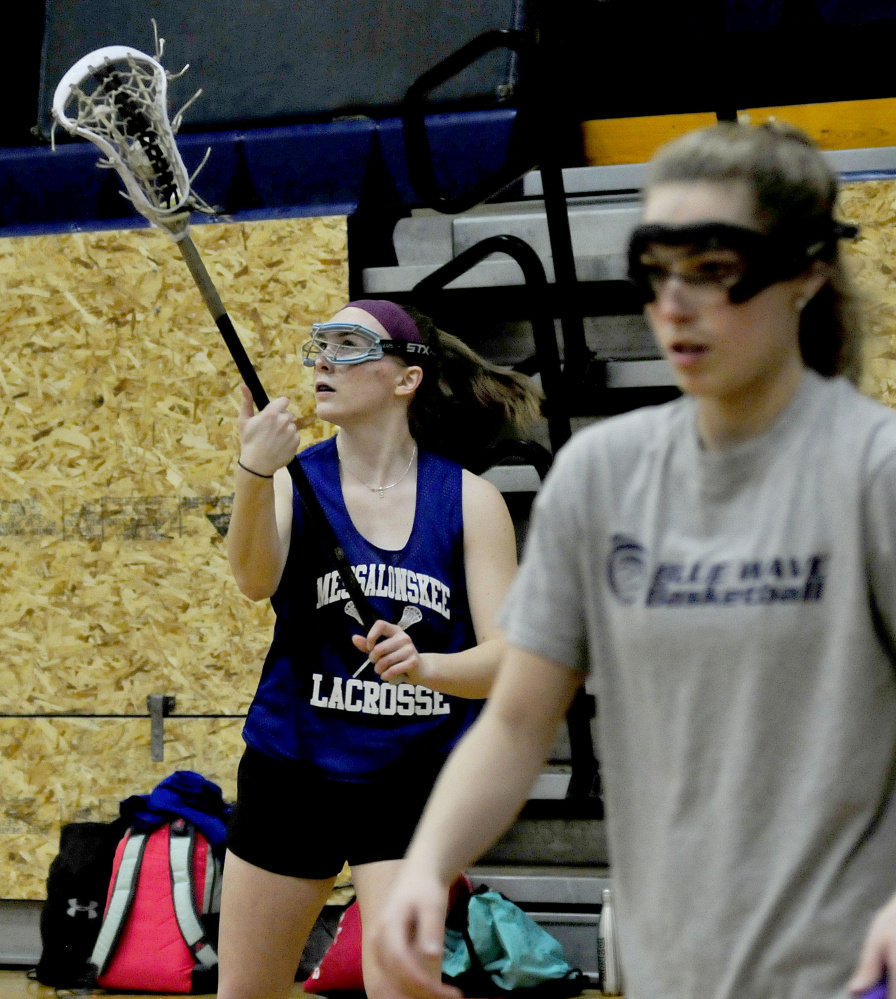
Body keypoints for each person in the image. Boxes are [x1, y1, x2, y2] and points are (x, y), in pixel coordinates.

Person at [372, 121, 896, 999]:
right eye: (657, 269)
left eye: (715, 269)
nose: (674, 305)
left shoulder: (873, 471)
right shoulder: (600, 476)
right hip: (670, 969)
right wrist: (426, 867)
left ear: (807, 273)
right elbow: (515, 722)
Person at [218, 298, 542, 999]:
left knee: (399, 986)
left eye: (350, 345)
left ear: (406, 379)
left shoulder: (471, 501)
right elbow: (252, 579)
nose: (325, 360)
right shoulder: (293, 480)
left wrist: (427, 665)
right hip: (292, 767)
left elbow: (507, 662)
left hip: (408, 774)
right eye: (320, 345)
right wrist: (252, 472)